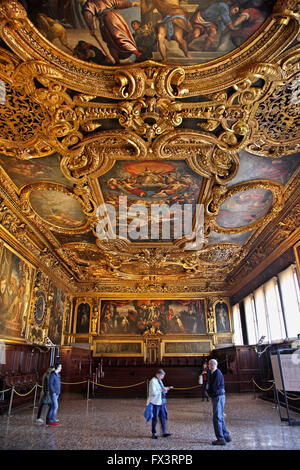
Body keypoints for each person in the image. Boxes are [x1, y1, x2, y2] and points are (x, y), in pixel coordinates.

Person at [207, 359, 231, 446]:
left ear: (212, 365)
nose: (208, 366)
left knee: (216, 418)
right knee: (220, 417)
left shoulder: (217, 373)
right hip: (218, 396)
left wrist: (208, 392)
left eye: (209, 364)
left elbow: (214, 386)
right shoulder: (214, 372)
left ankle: (220, 439)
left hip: (217, 397)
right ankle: (226, 436)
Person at [146, 369, 172, 439]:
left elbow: (161, 390)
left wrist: (165, 390)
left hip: (162, 402)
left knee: (163, 417)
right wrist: (162, 390)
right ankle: (154, 433)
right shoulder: (153, 381)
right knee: (155, 418)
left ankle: (164, 432)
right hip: (155, 402)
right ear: (157, 375)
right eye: (162, 375)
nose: (163, 377)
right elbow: (153, 393)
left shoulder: (159, 381)